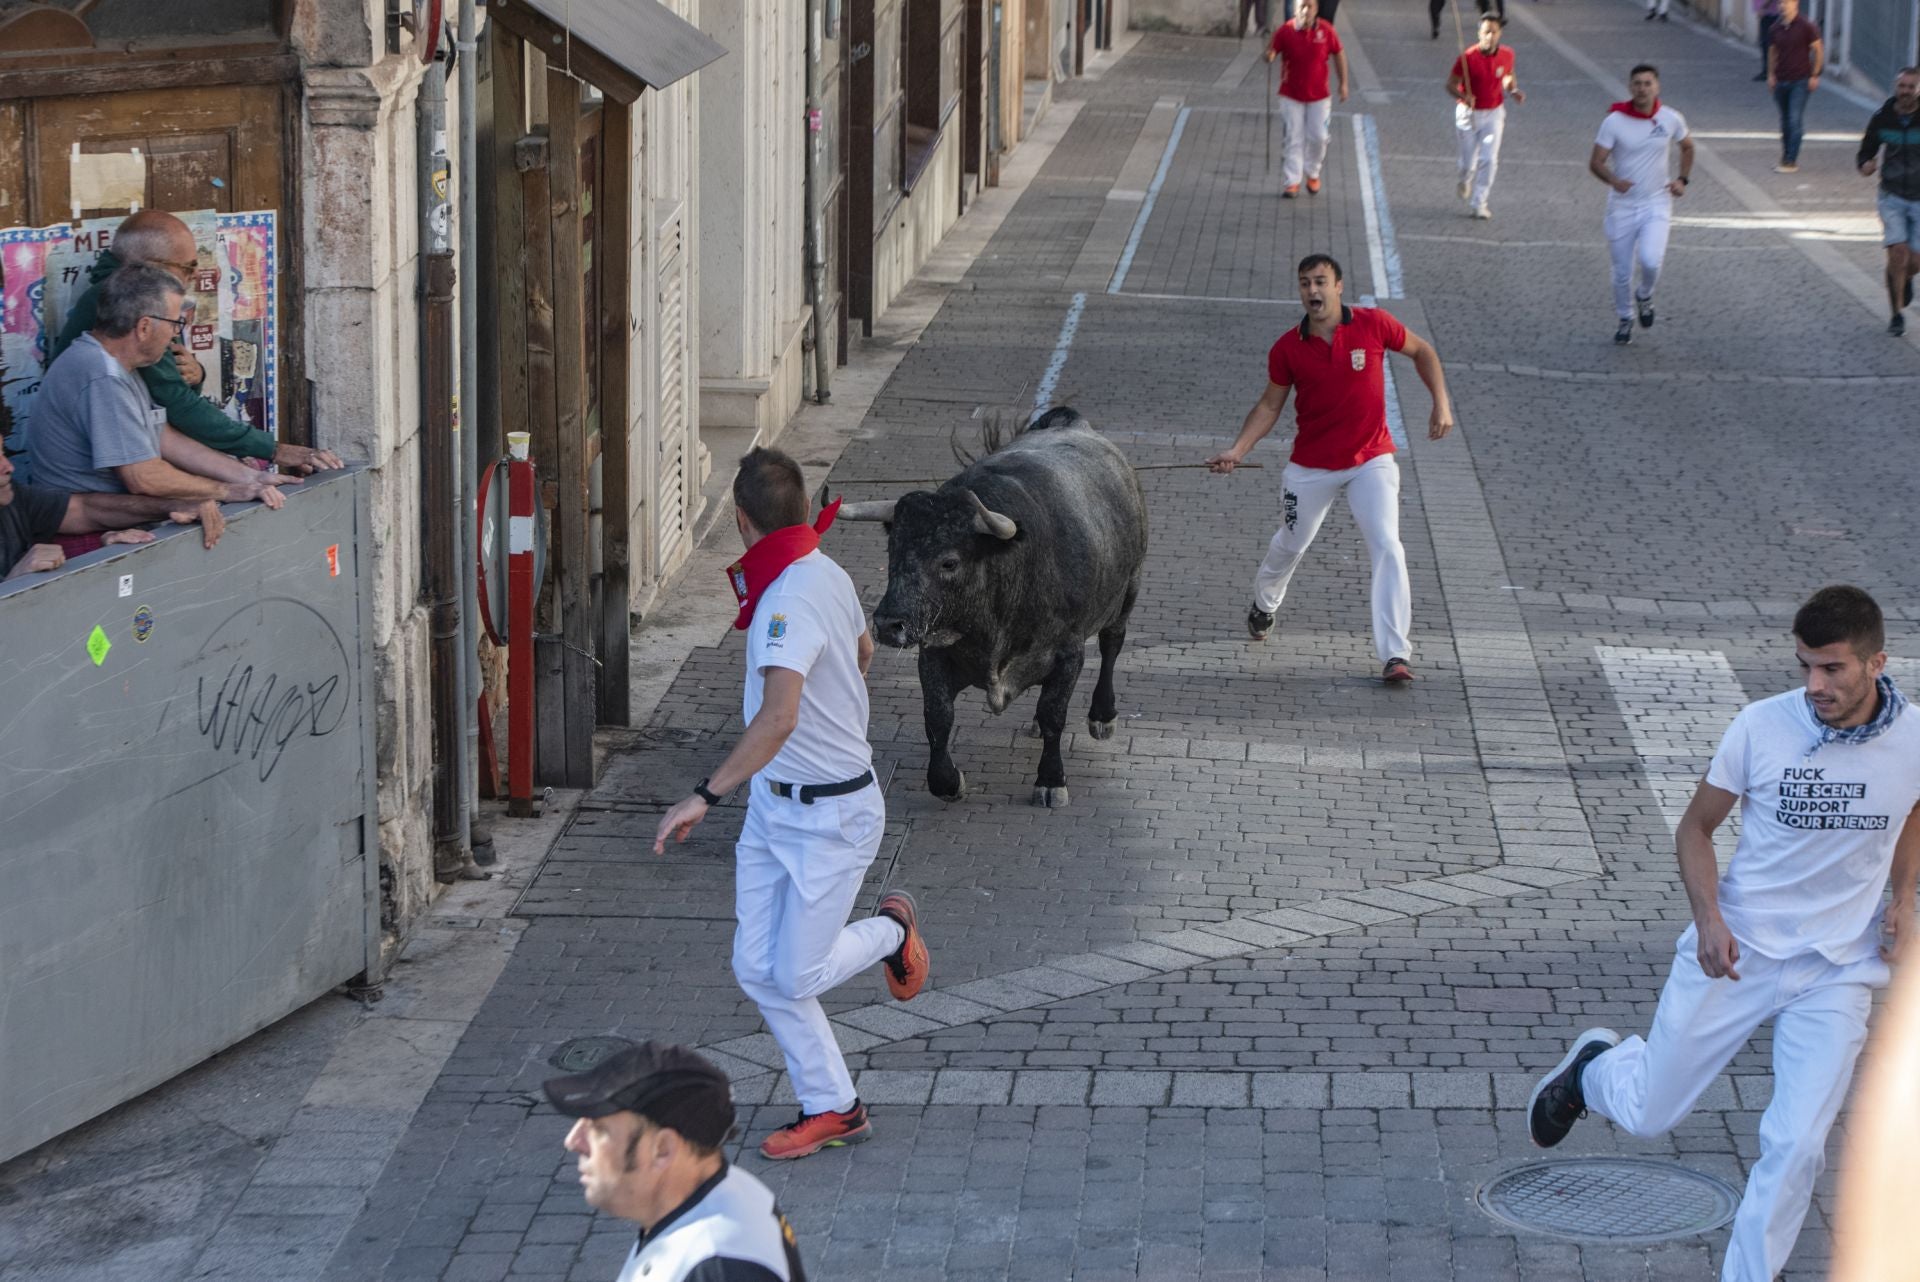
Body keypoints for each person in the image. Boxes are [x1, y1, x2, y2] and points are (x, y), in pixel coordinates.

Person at [1529, 585, 1920, 1282]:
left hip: (1838, 968)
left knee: (1797, 1145)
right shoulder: (1762, 727)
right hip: (1736, 953)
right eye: (1805, 666)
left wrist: (1903, 895)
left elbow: (1911, 808)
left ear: (1877, 662)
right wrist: (1710, 919)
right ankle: (1592, 1072)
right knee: (1651, 1113)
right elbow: (1695, 828)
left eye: (1831, 669)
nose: (1814, 685)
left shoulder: (1914, 739)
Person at [652, 447, 930, 1161]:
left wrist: (703, 795)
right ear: (799, 513)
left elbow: (776, 719)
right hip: (777, 814)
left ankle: (892, 934)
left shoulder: (784, 599)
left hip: (831, 819)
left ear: (742, 521)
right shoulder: (826, 573)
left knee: (796, 973)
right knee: (757, 969)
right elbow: (863, 652)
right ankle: (834, 1106)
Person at [1204, 254, 1454, 684]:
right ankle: (1265, 605)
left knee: (1388, 545)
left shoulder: (1374, 324)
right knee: (1291, 543)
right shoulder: (1287, 348)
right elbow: (1269, 405)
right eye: (1305, 283)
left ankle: (1396, 654)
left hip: (1370, 460)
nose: (1312, 291)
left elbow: (1422, 351)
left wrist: (1441, 403)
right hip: (1311, 467)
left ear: (1339, 286)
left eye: (1320, 281)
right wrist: (1238, 449)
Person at [51, 210, 340, 476]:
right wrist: (271, 450)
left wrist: (195, 376)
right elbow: (174, 406)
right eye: (187, 268)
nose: (190, 279)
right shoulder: (130, 305)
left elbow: (166, 409)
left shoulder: (134, 303)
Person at [28, 266, 295, 520]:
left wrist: (250, 478)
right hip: (92, 530)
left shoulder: (119, 365)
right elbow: (143, 476)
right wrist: (227, 490)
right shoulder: (102, 375)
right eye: (175, 323)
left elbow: (164, 438)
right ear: (144, 327)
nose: (176, 335)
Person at [545, 1039, 809, 1281]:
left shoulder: (720, 1268)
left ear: (662, 1149)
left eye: (599, 1130)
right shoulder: (723, 1193)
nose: (573, 1141)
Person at [0, 427, 227, 580]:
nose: (9, 467)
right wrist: (16, 581)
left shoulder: (14, 498)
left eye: (2, 452)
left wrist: (173, 507)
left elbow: (87, 509)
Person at [1589, 64, 1693, 345]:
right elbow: (1595, 162)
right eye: (1637, 83)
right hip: (1622, 206)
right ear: (1630, 87)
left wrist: (1682, 180)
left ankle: (1645, 294)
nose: (1642, 88)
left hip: (1657, 203)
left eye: (1648, 83)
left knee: (1650, 261)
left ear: (1657, 87)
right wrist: (1614, 180)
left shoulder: (1670, 118)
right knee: (1621, 271)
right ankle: (1625, 317)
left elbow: (1687, 147)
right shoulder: (1614, 121)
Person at [1857, 66, 1920, 336]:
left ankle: (1904, 276)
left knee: (1914, 260)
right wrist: (1865, 164)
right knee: (1898, 252)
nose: (1905, 91)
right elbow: (1866, 150)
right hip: (1891, 195)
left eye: (1911, 87)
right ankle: (1896, 315)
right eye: (1901, 86)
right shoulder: (1883, 117)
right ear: (1896, 87)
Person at [1266, 0, 1348, 198]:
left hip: (1319, 95)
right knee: (1294, 137)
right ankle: (1292, 181)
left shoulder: (1327, 30)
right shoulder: (1286, 30)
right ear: (1295, 9)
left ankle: (1313, 172)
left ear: (1316, 9)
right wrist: (1268, 55)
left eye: (1309, 6)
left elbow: (1338, 54)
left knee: (1319, 137)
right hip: (1291, 94)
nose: (1305, 10)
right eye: (1301, 6)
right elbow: (1272, 51)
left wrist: (1343, 83)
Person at [1448, 15, 1524, 219]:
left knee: (1489, 159)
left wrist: (1513, 89)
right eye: (1486, 32)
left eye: (1494, 32)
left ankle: (1479, 202)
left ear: (1500, 33)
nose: (1490, 36)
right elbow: (1450, 85)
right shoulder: (1467, 58)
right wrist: (1464, 96)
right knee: (1467, 164)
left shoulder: (1507, 54)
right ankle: (1464, 179)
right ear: (1479, 34)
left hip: (1493, 113)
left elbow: (1508, 75)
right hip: (1468, 114)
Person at [1765, 0, 1822, 174]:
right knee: (1784, 121)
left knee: (1794, 119)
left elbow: (1818, 50)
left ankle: (1791, 160)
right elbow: (1772, 52)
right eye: (1781, 3)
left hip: (1801, 80)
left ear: (1795, 4)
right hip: (1781, 80)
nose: (1783, 6)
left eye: (1787, 2)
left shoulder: (1806, 26)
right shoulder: (1775, 28)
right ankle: (1786, 155)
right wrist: (1770, 75)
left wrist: (1815, 74)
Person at [1753, 0, 1781, 81]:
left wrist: (1763, 7)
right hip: (1766, 14)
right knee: (1765, 44)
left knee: (1769, 44)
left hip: (1771, 14)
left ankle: (1769, 71)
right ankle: (1767, 70)